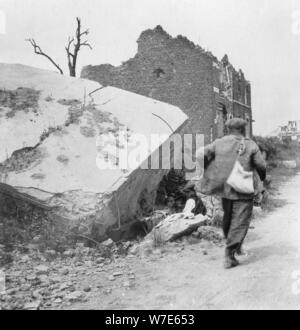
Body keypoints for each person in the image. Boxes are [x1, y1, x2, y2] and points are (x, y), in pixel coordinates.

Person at [198, 118, 267, 269]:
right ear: (243, 129)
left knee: (228, 217)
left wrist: (208, 168)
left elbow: (200, 155)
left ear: (228, 129)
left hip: (224, 187)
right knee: (240, 220)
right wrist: (262, 178)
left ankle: (237, 246)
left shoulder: (218, 142)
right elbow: (261, 165)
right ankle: (229, 254)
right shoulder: (249, 144)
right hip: (242, 187)